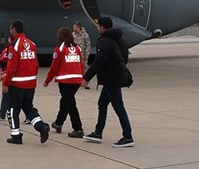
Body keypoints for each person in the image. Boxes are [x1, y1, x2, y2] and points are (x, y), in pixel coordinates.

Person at [81, 17, 134, 148]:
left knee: (119, 107)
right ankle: (98, 133)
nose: (97, 28)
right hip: (113, 78)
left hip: (111, 79)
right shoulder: (120, 40)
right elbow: (124, 58)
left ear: (103, 27)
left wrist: (86, 78)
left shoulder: (105, 42)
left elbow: (98, 62)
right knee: (102, 104)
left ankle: (128, 137)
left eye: (98, 26)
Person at [2, 19, 50, 145]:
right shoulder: (31, 44)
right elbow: (36, 65)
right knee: (28, 108)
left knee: (12, 111)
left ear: (13, 29)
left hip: (17, 84)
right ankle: (41, 126)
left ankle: (16, 136)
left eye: (10, 29)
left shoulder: (14, 45)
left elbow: (11, 68)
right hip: (30, 83)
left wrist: (6, 83)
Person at [43, 27, 85, 138]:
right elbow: (81, 64)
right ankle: (58, 123)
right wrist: (83, 78)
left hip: (66, 80)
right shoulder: (77, 48)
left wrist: (47, 80)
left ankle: (78, 128)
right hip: (77, 79)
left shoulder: (59, 48)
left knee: (70, 104)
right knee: (65, 101)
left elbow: (54, 67)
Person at [73, 21, 92, 89]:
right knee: (76, 69)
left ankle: (85, 83)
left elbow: (88, 45)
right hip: (75, 55)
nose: (73, 28)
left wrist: (87, 54)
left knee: (84, 69)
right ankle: (77, 82)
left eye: (74, 26)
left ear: (78, 27)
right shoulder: (73, 35)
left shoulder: (85, 35)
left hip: (83, 54)